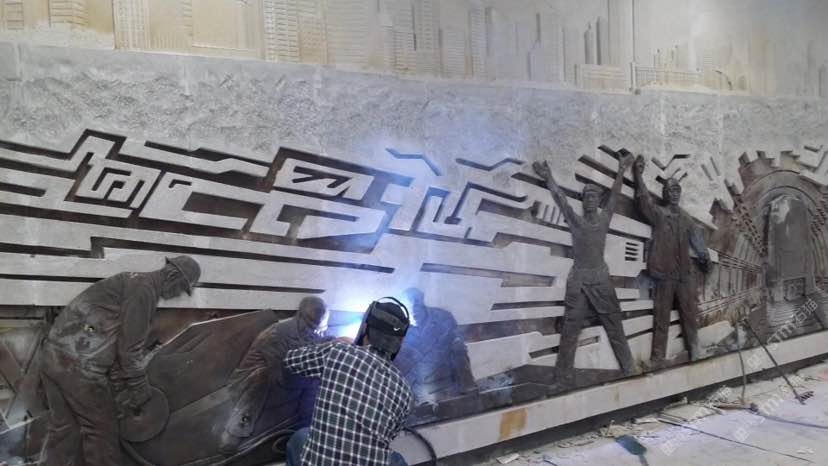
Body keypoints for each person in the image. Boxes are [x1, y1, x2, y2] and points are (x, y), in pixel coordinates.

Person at [41, 256, 200, 466]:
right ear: (172, 275)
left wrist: (118, 383)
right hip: (80, 367)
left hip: (53, 355)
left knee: (64, 429)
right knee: (101, 431)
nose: (179, 295)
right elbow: (129, 348)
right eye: (181, 288)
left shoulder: (130, 281)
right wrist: (139, 390)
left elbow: (114, 341)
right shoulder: (144, 290)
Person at [533, 153, 638, 389]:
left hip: (601, 280)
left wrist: (622, 170)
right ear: (583, 201)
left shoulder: (603, 219)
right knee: (570, 331)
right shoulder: (576, 221)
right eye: (586, 197)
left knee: (615, 327)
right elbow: (561, 199)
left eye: (594, 197)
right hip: (579, 282)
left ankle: (630, 369)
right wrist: (549, 178)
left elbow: (615, 196)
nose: (590, 200)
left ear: (598, 201)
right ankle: (562, 379)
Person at [284, 298, 413, 466]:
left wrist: (334, 344)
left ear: (365, 328)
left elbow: (291, 360)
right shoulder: (406, 392)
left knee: (301, 436)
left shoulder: (338, 352)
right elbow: (389, 435)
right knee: (396, 459)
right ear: (400, 342)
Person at [219, 296, 332, 456]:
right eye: (311, 328)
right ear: (299, 317)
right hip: (250, 382)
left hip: (287, 379)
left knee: (317, 378)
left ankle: (308, 428)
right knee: (261, 376)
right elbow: (282, 377)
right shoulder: (277, 335)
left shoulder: (313, 332)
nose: (316, 334)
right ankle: (234, 433)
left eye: (320, 329)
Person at [632, 155, 710, 366]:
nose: (674, 194)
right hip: (664, 276)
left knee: (689, 316)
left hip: (684, 276)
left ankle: (695, 351)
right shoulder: (659, 214)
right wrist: (638, 175)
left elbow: (697, 240)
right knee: (661, 319)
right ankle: (658, 358)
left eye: (677, 190)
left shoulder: (686, 218)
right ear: (664, 194)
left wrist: (704, 257)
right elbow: (643, 201)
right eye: (670, 190)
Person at [394, 288, 476, 405]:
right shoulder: (404, 329)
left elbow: (454, 339)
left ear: (422, 303)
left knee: (457, 345)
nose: (413, 311)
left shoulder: (441, 318)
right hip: (418, 378)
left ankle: (468, 388)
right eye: (410, 307)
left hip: (442, 370)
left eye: (416, 306)